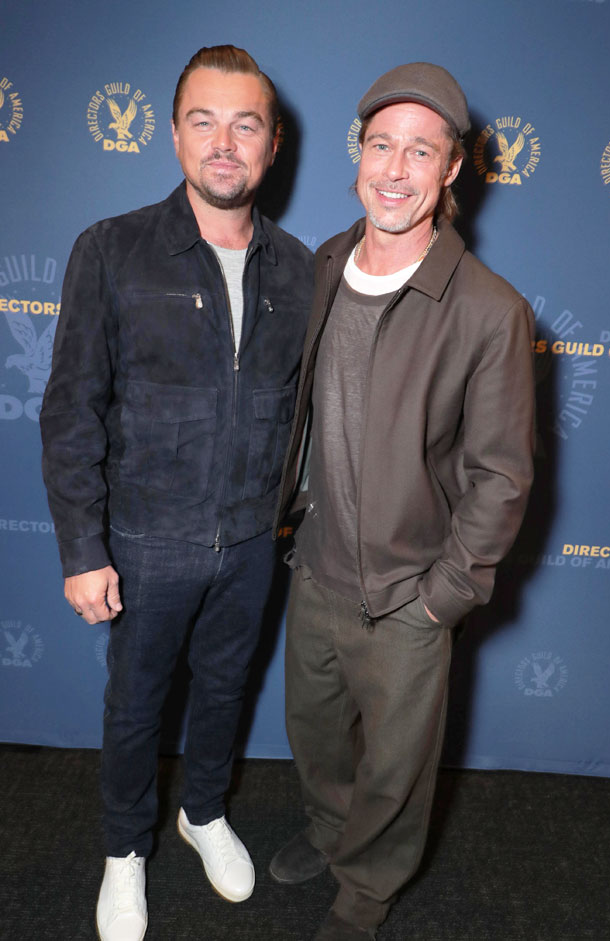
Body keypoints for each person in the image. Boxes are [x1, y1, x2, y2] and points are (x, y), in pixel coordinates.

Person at [40, 45, 312, 941]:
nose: (224, 143)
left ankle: (203, 811)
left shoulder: (300, 269)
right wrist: (84, 549)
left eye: (245, 125)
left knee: (226, 687)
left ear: (272, 144)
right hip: (146, 538)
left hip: (251, 540)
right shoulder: (111, 249)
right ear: (173, 134)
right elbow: (71, 409)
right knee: (136, 704)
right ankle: (125, 848)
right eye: (204, 121)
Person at [269, 63, 535, 940]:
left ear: (452, 168)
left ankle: (365, 890)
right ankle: (329, 831)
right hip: (316, 568)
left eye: (421, 151)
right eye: (381, 145)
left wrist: (441, 597)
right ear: (358, 156)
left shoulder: (489, 310)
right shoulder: (325, 262)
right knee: (314, 733)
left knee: (396, 769)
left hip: (408, 593)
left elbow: (501, 475)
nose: (395, 168)